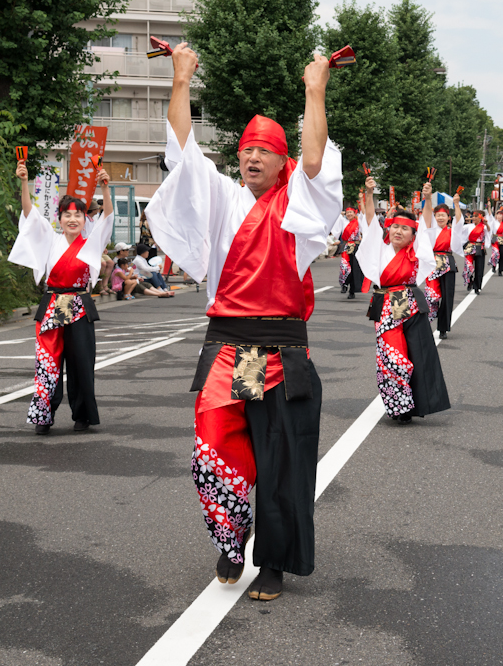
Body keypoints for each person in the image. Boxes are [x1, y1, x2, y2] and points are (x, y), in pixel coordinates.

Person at [145, 43, 342, 598]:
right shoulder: (222, 199)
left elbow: (316, 161)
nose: (253, 157)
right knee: (213, 449)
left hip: (280, 351)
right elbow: (184, 153)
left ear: (282, 163)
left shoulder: (297, 206)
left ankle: (274, 562)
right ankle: (232, 537)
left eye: (265, 151)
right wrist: (181, 80)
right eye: (247, 150)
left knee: (279, 458)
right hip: (228, 347)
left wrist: (315, 91)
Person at [8, 161, 114, 435]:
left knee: (81, 363)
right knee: (47, 362)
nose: (72, 220)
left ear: (84, 219)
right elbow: (30, 215)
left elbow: (108, 217)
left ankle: (83, 415)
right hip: (52, 306)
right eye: (67, 215)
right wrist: (23, 182)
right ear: (59, 219)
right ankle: (44, 416)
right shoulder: (50, 238)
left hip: (79, 307)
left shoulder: (91, 244)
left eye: (78, 215)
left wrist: (105, 187)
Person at [356, 177, 450, 424]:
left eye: (405, 229)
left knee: (415, 355)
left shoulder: (417, 251)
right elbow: (368, 221)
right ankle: (399, 405)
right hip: (385, 305)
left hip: (408, 304)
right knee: (392, 358)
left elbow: (427, 225)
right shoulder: (380, 247)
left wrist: (428, 199)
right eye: (395, 227)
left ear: (413, 235)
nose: (398, 231)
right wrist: (369, 193)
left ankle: (410, 403)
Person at [418, 183, 463, 340]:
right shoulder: (430, 230)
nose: (441, 217)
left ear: (448, 217)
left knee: (447, 297)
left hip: (448, 264)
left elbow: (460, 221)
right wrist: (428, 198)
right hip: (432, 263)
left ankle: (443, 328)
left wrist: (456, 204)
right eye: (438, 215)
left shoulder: (452, 231)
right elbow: (425, 218)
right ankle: (426, 325)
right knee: (431, 295)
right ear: (435, 217)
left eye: (443, 215)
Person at [331, 202, 366, 299]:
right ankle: (344, 284)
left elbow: (363, 213)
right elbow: (336, 215)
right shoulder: (343, 221)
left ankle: (352, 290)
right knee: (345, 267)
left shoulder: (358, 221)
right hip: (346, 246)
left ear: (355, 213)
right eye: (347, 213)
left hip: (356, 247)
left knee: (354, 269)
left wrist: (361, 200)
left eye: (351, 212)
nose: (349, 214)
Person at [460, 207, 488, 293]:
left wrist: (487, 224)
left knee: (479, 268)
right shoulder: (468, 226)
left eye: (476, 216)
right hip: (470, 247)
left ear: (481, 217)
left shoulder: (484, 227)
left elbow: (489, 233)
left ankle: (477, 287)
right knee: (468, 267)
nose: (474, 218)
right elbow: (459, 230)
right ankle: (469, 281)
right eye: (473, 216)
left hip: (480, 248)